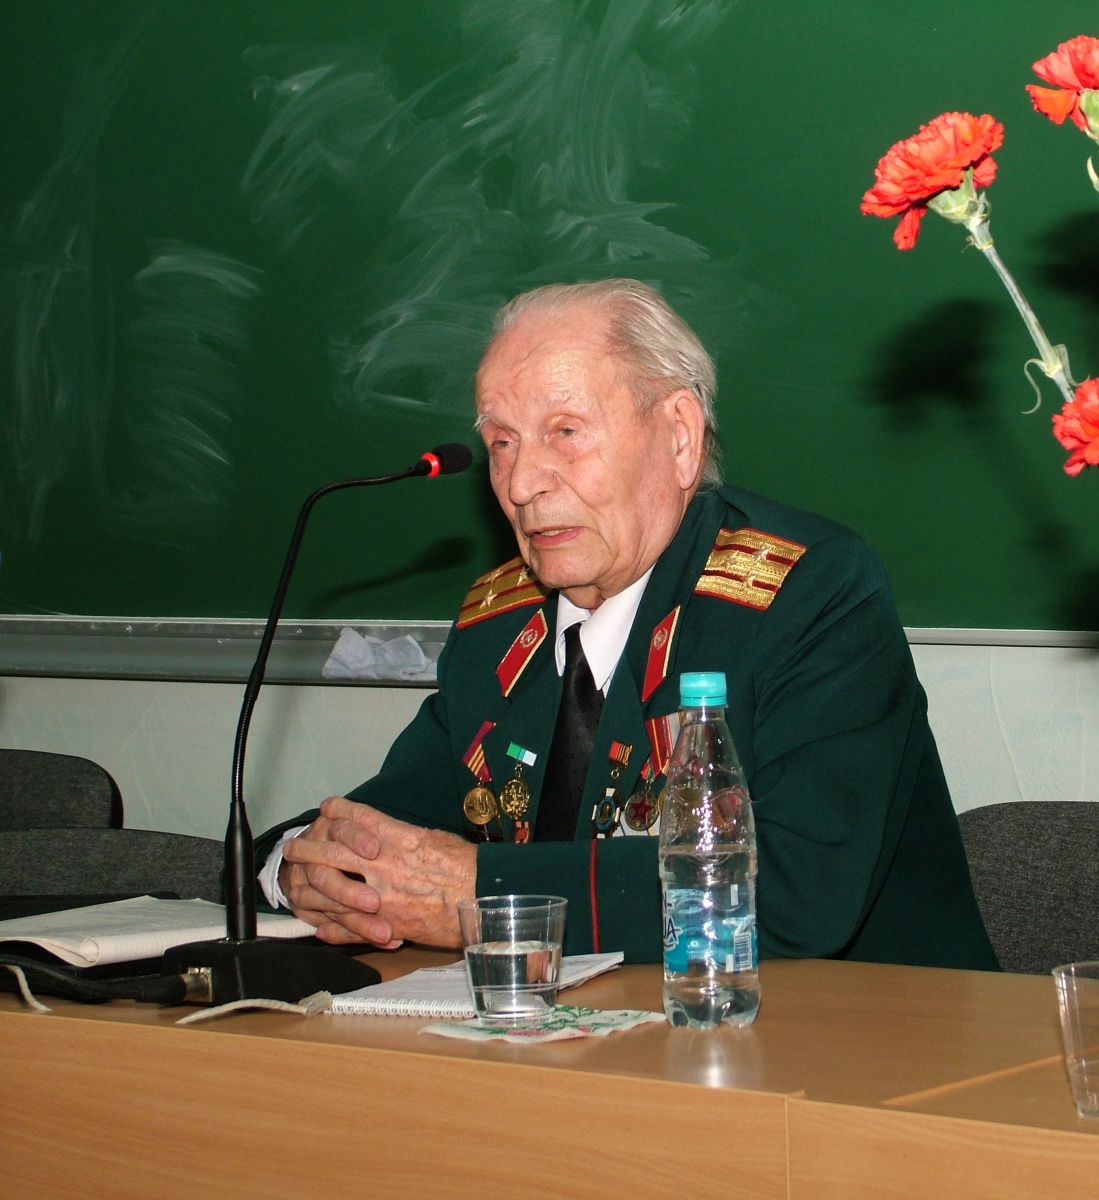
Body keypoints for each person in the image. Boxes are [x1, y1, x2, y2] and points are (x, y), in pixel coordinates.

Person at [258, 279, 996, 970]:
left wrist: (482, 895)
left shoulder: (808, 594)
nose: (522, 483)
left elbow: (801, 891)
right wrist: (302, 869)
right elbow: (385, 822)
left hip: (848, 1038)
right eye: (503, 443)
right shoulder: (498, 624)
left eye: (566, 432)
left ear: (679, 437)